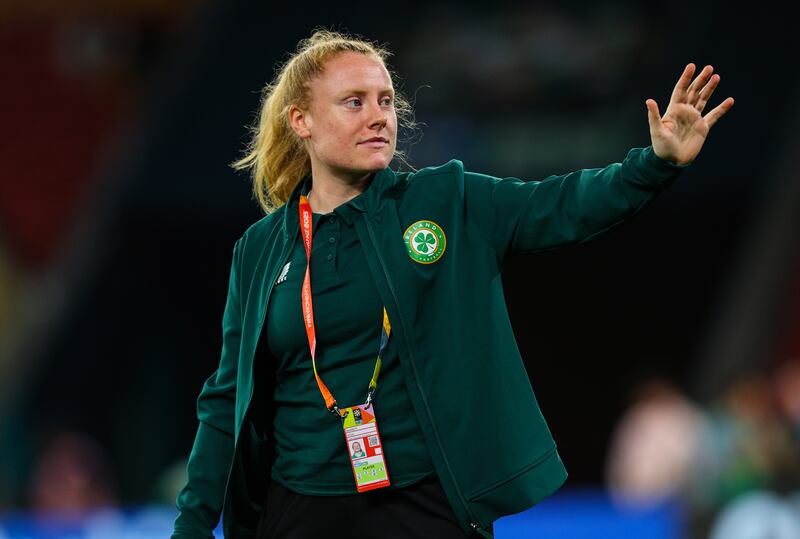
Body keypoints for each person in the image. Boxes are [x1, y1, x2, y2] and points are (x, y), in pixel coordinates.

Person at [171, 29, 734, 539]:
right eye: (354, 102)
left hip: (425, 504)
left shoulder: (445, 201)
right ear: (302, 122)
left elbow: (561, 204)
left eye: (386, 101)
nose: (379, 117)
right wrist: (192, 527)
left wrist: (654, 165)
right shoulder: (261, 249)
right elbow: (225, 402)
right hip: (297, 511)